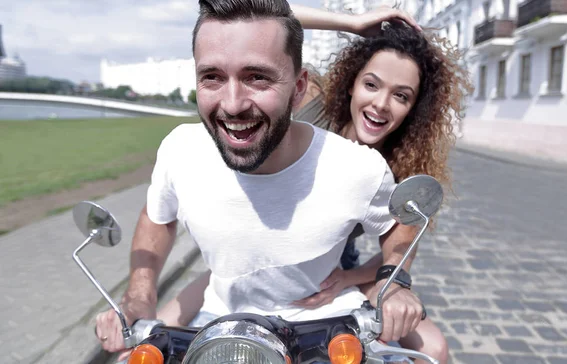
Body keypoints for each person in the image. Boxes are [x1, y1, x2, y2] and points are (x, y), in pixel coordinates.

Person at [95, 0, 428, 359]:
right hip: (221, 321)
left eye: (257, 77)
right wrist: (140, 293)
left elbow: (400, 223)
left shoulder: (361, 168)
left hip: (326, 322)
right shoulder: (179, 151)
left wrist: (393, 283)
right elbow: (157, 216)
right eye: (212, 77)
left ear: (299, 88)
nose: (233, 104)